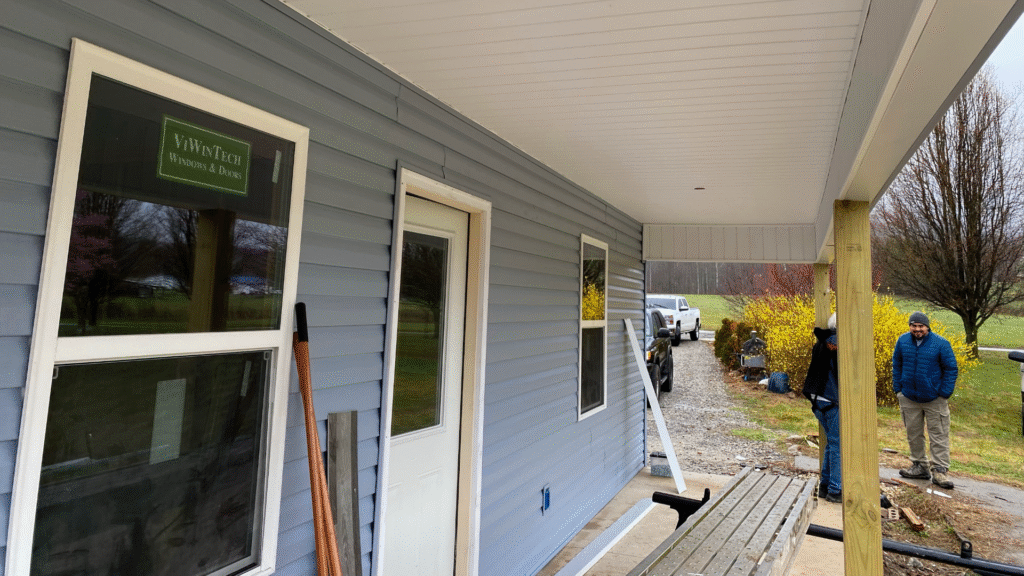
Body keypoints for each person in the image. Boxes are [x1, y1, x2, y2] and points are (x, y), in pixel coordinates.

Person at [892, 311, 958, 489]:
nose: (917, 329)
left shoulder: (941, 344)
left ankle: (939, 470)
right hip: (909, 397)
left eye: (921, 326)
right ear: (910, 326)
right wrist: (898, 389)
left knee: (939, 434)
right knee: (913, 433)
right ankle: (920, 466)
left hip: (934, 398)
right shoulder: (903, 341)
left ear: (927, 327)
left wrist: (944, 392)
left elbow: (951, 368)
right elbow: (896, 364)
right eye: (914, 326)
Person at [803, 313, 840, 503]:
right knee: (837, 446)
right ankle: (835, 489)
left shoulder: (822, 342)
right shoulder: (837, 344)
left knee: (831, 444)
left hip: (819, 400)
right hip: (831, 401)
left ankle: (826, 486)